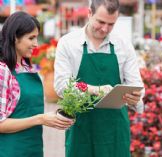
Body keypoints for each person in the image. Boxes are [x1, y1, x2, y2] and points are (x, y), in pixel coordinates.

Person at [54, 0, 144, 157]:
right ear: (89, 13)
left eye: (111, 24)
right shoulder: (68, 43)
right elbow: (62, 87)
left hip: (115, 131)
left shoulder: (123, 45)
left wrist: (136, 97)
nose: (104, 29)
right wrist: (95, 90)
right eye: (101, 22)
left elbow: (136, 85)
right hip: (81, 129)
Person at [0, 11, 74, 157]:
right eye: (31, 38)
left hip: (33, 149)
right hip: (10, 151)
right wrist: (41, 119)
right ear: (15, 38)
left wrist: (54, 117)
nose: (36, 44)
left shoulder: (27, 68)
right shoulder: (3, 71)